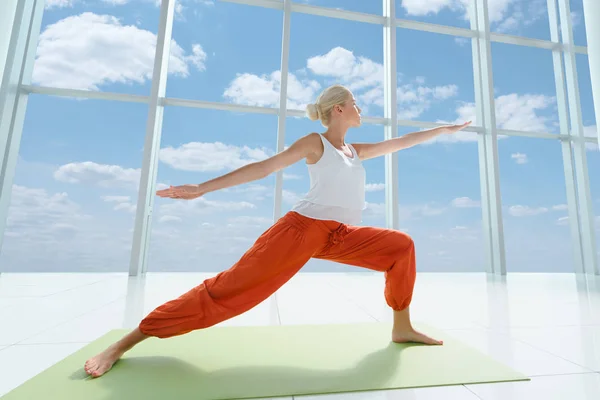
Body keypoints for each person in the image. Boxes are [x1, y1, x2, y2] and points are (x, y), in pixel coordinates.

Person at [84, 84, 471, 378]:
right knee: (228, 290)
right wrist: (202, 188)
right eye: (355, 104)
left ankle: (401, 328)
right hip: (298, 233)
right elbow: (265, 168)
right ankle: (127, 341)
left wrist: (443, 129)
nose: (360, 109)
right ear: (339, 108)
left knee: (400, 247)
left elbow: (402, 142)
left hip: (337, 233)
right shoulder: (314, 143)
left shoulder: (355, 150)